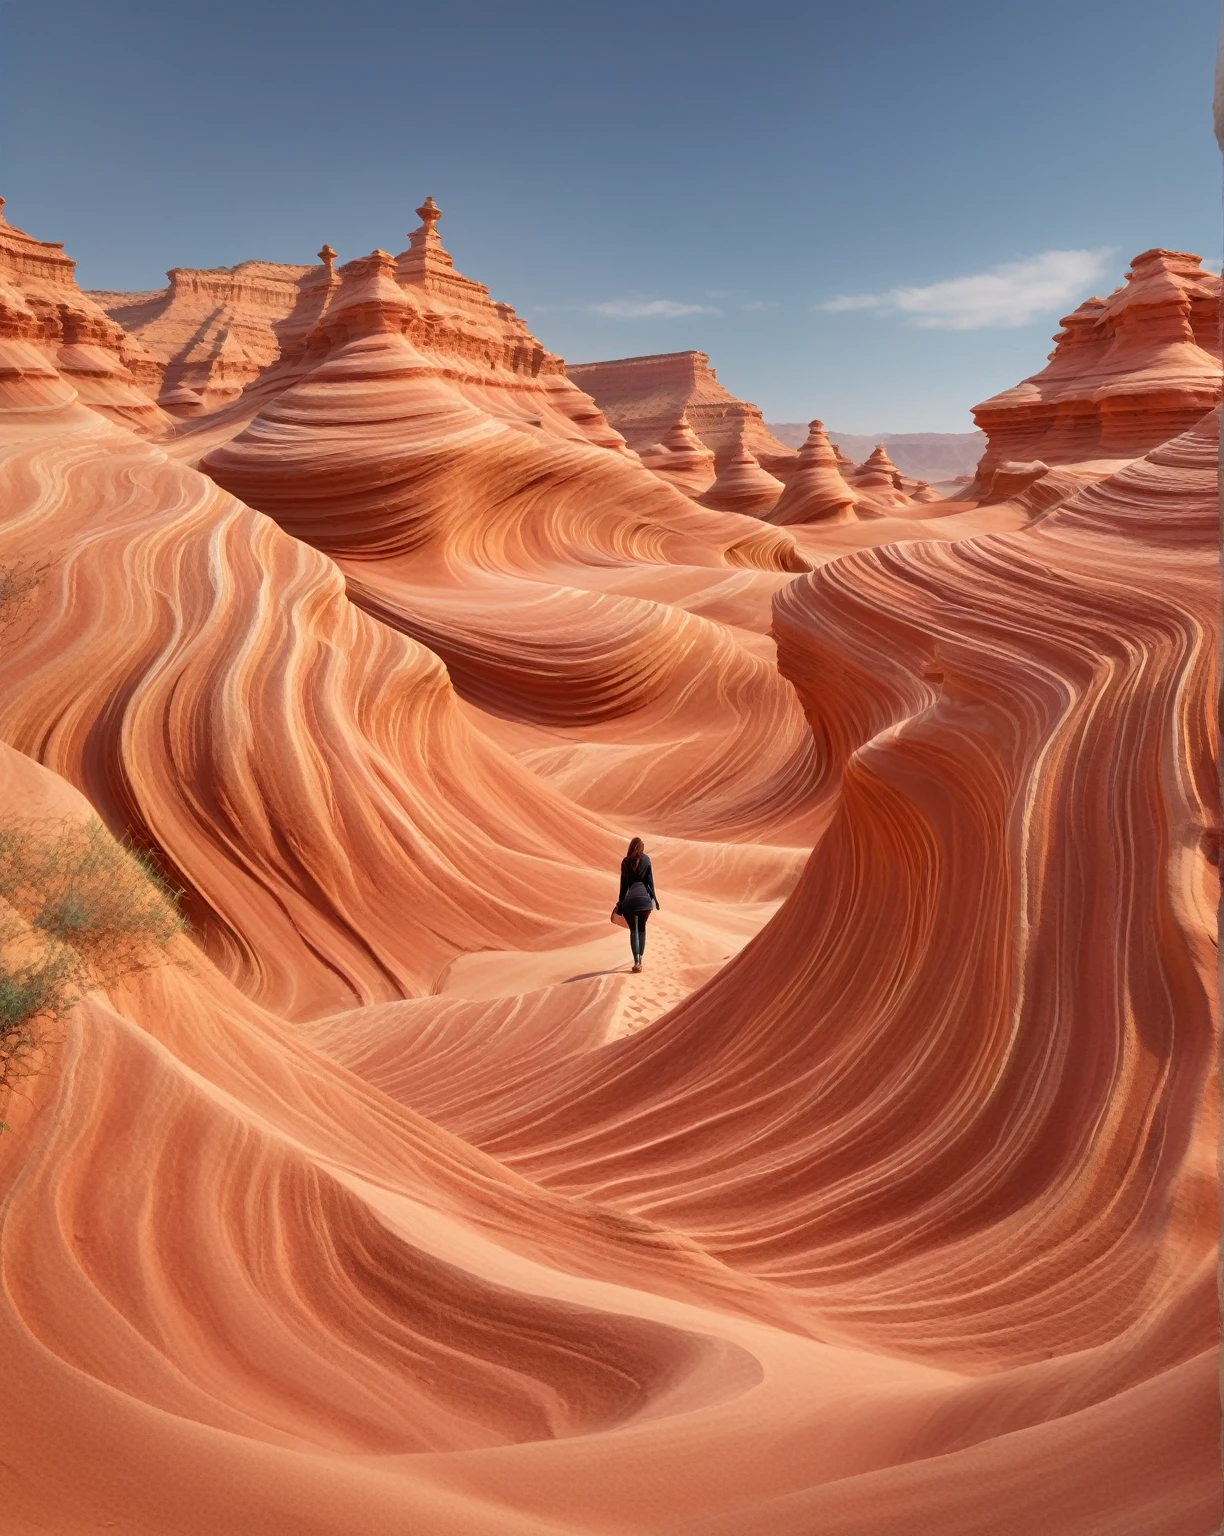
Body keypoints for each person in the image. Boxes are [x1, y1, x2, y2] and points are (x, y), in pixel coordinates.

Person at [612, 835, 659, 973]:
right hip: (644, 901)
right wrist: (655, 899)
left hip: (630, 902)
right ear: (642, 848)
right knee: (642, 929)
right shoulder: (647, 860)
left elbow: (624, 885)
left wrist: (621, 903)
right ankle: (641, 960)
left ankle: (636, 961)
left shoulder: (625, 862)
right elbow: (650, 882)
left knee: (634, 931)